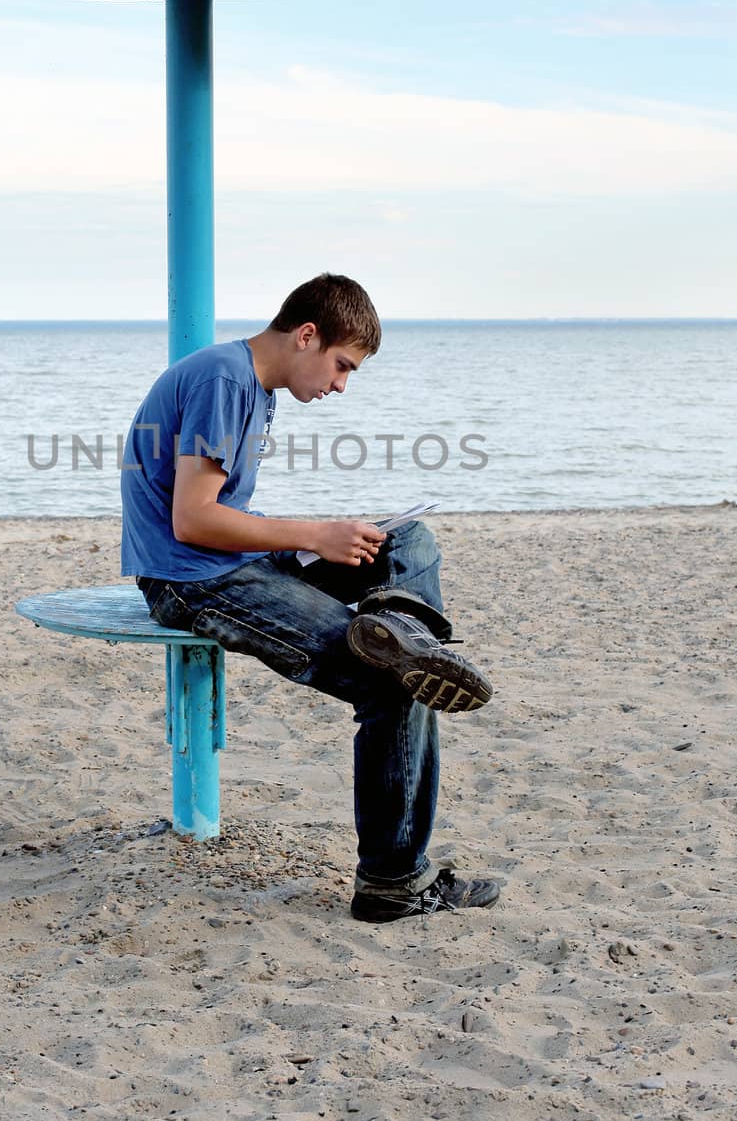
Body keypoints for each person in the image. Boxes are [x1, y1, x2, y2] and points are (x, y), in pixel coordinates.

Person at [120, 273, 499, 923]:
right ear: (305, 335)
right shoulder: (225, 381)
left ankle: (399, 627)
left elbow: (217, 514)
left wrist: (309, 543)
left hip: (228, 563)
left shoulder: (247, 384)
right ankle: (392, 884)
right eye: (342, 365)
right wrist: (311, 536)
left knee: (404, 539)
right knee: (391, 686)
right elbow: (191, 519)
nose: (340, 385)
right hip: (190, 581)